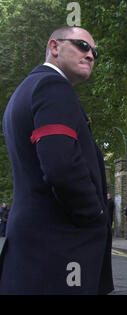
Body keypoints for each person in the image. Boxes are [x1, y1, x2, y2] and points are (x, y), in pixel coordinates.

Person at [0, 27, 113, 294]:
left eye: (94, 51)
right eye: (82, 46)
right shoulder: (53, 86)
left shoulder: (24, 91)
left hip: (35, 246)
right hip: (61, 246)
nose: (90, 55)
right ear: (54, 47)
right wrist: (95, 213)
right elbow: (61, 166)